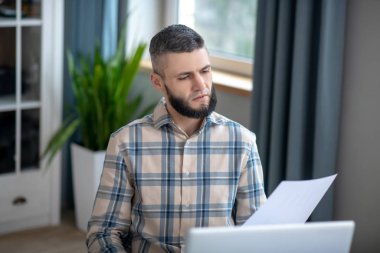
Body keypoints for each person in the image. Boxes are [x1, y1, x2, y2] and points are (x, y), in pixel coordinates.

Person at [87, 24, 266, 253]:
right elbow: (104, 232)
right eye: (184, 77)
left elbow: (255, 232)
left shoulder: (242, 142)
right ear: (158, 83)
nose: (201, 85)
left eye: (205, 71)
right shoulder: (125, 143)